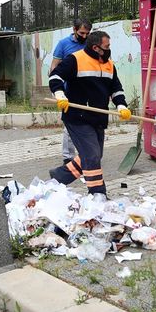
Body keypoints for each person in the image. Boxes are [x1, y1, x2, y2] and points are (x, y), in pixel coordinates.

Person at [48, 30, 131, 195]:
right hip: (77, 116)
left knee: (94, 155)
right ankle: (98, 194)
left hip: (98, 117)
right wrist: (59, 94)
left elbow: (116, 89)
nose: (109, 49)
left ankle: (59, 176)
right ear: (96, 48)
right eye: (106, 46)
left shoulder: (109, 65)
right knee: (92, 156)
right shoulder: (76, 59)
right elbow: (55, 77)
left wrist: (121, 105)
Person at [51, 18, 92, 165]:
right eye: (82, 33)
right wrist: (57, 91)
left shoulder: (90, 44)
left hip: (88, 91)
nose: (85, 36)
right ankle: (68, 157)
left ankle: (86, 155)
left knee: (89, 124)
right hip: (69, 92)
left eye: (87, 33)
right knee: (70, 125)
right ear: (74, 30)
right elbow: (54, 68)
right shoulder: (63, 44)